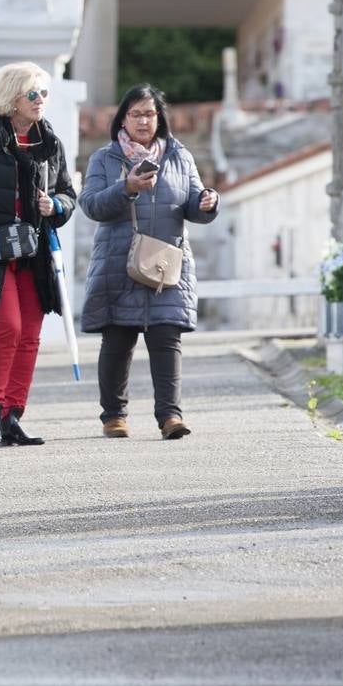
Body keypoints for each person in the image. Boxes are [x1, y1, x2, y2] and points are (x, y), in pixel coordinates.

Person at [79, 83, 219, 439]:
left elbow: (191, 203)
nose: (143, 121)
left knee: (166, 337)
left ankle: (170, 416)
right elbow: (92, 205)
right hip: (117, 261)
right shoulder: (105, 158)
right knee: (117, 339)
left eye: (150, 114)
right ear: (123, 119)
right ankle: (114, 416)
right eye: (136, 114)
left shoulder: (179, 156)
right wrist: (126, 188)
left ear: (160, 118)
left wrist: (206, 204)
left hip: (165, 263)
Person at [0, 62, 76, 447]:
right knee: (7, 327)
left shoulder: (50, 144)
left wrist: (54, 205)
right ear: (11, 99)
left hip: (35, 252)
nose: (40, 100)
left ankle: (13, 416)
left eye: (44, 93)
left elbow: (69, 195)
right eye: (32, 94)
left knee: (31, 335)